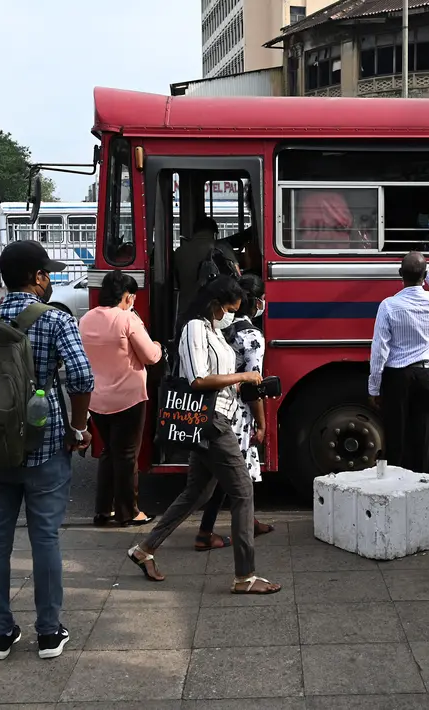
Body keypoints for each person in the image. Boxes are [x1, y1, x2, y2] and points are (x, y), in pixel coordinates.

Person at [0, 240, 94, 660]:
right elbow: (81, 379)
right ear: (37, 278)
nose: (51, 279)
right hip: (45, 444)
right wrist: (78, 428)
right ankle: (49, 633)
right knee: (46, 539)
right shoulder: (55, 320)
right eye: (48, 273)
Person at [127, 276, 281, 595]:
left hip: (215, 416)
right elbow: (198, 380)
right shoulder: (195, 328)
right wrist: (243, 374)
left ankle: (144, 549)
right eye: (228, 308)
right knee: (242, 493)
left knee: (197, 493)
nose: (230, 314)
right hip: (211, 422)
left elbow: (217, 377)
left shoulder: (214, 330)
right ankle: (244, 577)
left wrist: (244, 385)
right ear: (214, 304)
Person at [195, 274, 275, 550]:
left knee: (232, 471)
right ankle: (205, 533)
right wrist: (263, 423)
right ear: (255, 302)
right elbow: (253, 385)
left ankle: (249, 521)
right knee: (232, 474)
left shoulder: (221, 328)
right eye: (262, 298)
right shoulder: (252, 335)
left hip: (217, 406)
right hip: (237, 412)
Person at [79, 271, 161, 528]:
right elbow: (150, 356)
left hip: (97, 400)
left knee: (108, 452)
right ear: (126, 296)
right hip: (128, 398)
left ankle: (103, 511)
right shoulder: (128, 319)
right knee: (126, 456)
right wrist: (158, 345)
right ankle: (129, 511)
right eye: (132, 297)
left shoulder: (86, 318)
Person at [369, 252, 429, 476]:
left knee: (396, 439)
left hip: (396, 378)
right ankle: (420, 489)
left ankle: (396, 487)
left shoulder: (389, 306)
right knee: (423, 440)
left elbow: (379, 351)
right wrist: (425, 269)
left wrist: (374, 388)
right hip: (426, 376)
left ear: (400, 274)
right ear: (424, 275)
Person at [173, 217, 238, 326]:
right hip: (214, 313)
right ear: (214, 232)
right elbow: (237, 278)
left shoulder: (179, 252)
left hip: (186, 310)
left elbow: (175, 283)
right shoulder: (222, 249)